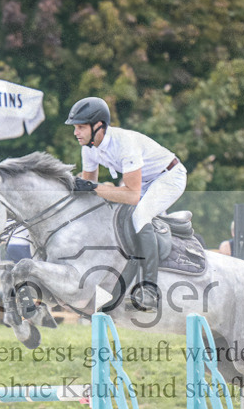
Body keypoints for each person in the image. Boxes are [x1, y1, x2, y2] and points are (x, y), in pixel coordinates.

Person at [65, 96, 187, 311]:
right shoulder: (88, 148)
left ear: (98, 126)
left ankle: (150, 289)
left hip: (169, 177)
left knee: (139, 216)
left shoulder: (124, 144)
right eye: (75, 127)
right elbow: (89, 191)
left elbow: (131, 195)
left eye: (81, 127)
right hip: (147, 181)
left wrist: (93, 188)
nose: (76, 132)